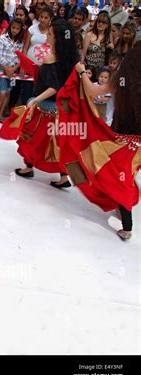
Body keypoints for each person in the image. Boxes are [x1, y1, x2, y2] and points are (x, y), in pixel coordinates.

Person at [58, 47, 141, 241]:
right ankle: (121, 205)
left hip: (119, 141)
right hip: (137, 145)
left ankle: (127, 225)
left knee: (117, 178)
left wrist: (81, 73)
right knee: (126, 174)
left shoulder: (122, 80)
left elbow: (92, 91)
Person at [9, 19, 79, 188]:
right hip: (60, 110)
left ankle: (29, 168)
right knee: (57, 144)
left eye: (50, 33)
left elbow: (55, 86)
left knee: (33, 139)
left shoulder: (51, 58)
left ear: (57, 38)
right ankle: (63, 177)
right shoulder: (71, 58)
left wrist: (35, 100)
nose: (46, 35)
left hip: (45, 108)